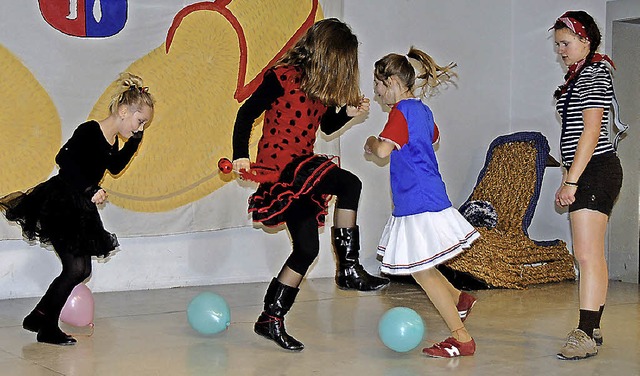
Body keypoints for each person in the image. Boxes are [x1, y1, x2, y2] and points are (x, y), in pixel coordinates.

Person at [231, 18, 389, 351]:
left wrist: (346, 112)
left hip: (301, 171)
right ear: (323, 54)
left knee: (307, 249)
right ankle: (348, 267)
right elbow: (246, 114)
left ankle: (269, 318)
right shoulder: (281, 77)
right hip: (282, 167)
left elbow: (327, 127)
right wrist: (241, 155)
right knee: (349, 183)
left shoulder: (319, 88)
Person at [0, 72, 154, 345]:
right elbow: (64, 160)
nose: (140, 128)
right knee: (76, 269)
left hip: (79, 205)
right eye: (139, 122)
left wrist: (134, 142)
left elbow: (115, 166)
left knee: (81, 270)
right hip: (61, 202)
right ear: (122, 111)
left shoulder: (112, 140)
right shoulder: (89, 131)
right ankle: (45, 324)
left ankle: (39, 316)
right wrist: (90, 189)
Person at [364, 47, 480, 358]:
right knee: (424, 264)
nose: (375, 92)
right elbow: (434, 139)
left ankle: (461, 337)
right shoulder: (423, 111)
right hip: (429, 195)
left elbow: (383, 152)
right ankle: (459, 298)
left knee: (422, 271)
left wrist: (371, 142)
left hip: (417, 201)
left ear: (390, 81)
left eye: (377, 84)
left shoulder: (399, 113)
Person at [550, 11, 623, 360]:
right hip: (587, 170)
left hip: (597, 169)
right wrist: (569, 176)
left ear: (585, 40)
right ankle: (591, 326)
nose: (561, 50)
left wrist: (572, 180)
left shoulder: (593, 74)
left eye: (566, 43)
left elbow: (591, 132)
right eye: (558, 45)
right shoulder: (579, 76)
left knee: (586, 253)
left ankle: (585, 333)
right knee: (589, 251)